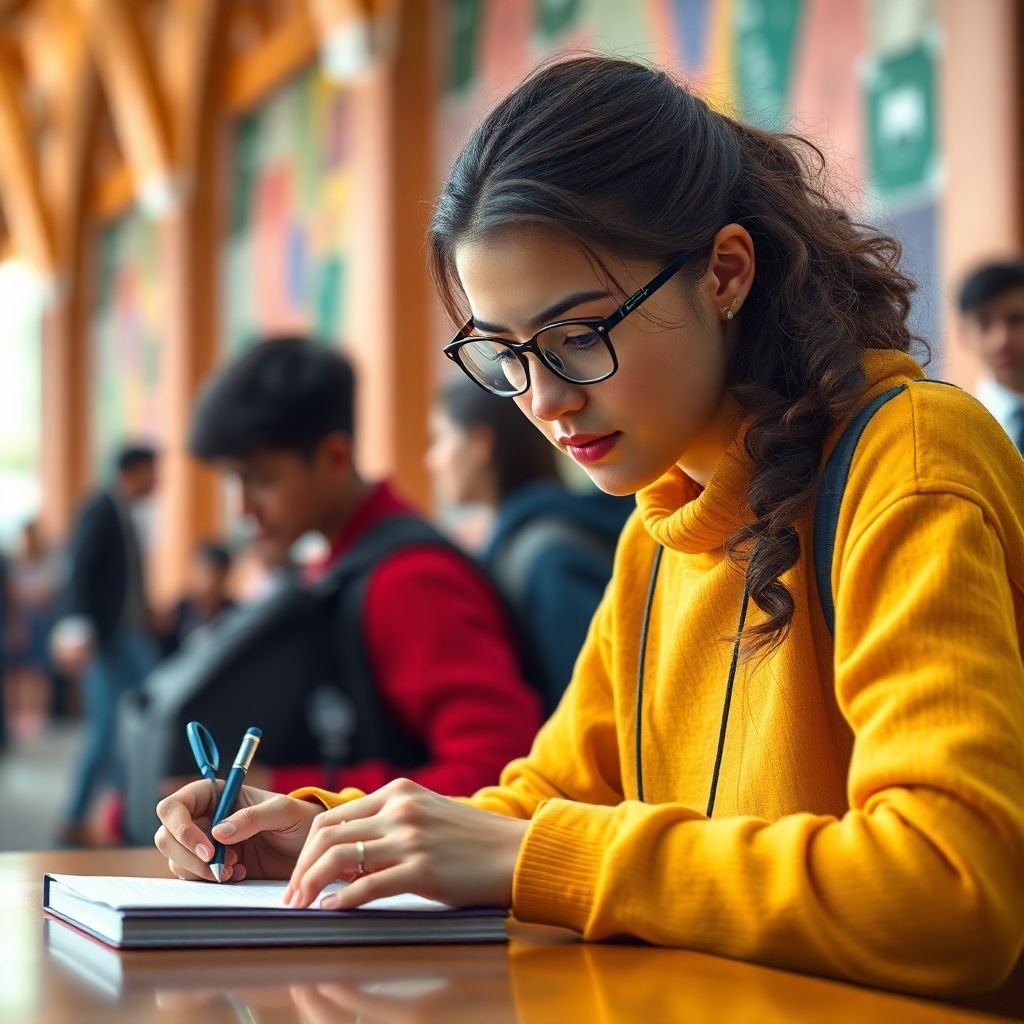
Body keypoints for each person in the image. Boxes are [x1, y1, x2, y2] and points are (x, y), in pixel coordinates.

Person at [155, 57, 1024, 999]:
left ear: (726, 272)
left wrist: (544, 857)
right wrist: (329, 831)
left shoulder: (911, 462)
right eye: (505, 355)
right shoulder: (659, 526)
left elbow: (950, 889)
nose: (545, 399)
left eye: (577, 336)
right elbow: (545, 802)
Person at [183, 336, 541, 796]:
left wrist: (287, 793)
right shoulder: (336, 568)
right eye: (233, 481)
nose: (242, 509)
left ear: (335, 457)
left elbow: (495, 776)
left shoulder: (410, 581)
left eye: (262, 480)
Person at [427, 374, 632, 707]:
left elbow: (591, 707)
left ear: (480, 445)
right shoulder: (522, 545)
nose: (431, 460)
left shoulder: (547, 559)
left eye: (439, 438)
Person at [55, 444, 160, 845]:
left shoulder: (125, 512)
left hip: (127, 633)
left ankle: (123, 810)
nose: (158, 481)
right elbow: (78, 570)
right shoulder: (100, 508)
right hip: (107, 639)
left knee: (135, 720)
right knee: (109, 726)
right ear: (133, 471)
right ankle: (81, 815)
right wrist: (76, 628)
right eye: (152, 471)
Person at [957, 260, 1024, 451]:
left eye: (1015, 319)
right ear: (963, 336)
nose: (1002, 339)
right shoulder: (960, 426)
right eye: (984, 324)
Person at [155, 541, 236, 658]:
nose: (210, 583)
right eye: (205, 573)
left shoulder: (234, 614)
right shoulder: (175, 615)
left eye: (216, 575)